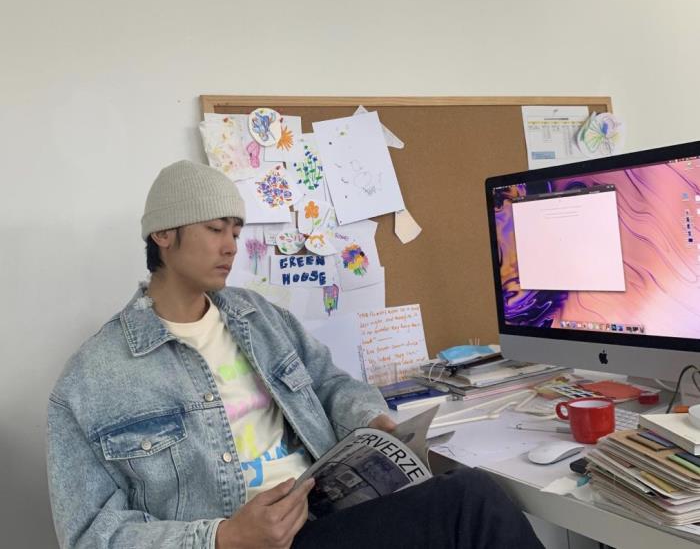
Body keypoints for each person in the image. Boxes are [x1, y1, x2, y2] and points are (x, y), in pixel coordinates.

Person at [47, 160, 544, 549]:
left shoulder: (258, 317)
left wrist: (371, 421)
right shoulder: (92, 381)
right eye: (215, 229)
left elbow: (329, 383)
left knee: (470, 495)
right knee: (470, 502)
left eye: (236, 232)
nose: (231, 246)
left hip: (321, 520)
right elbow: (89, 534)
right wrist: (222, 537)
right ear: (163, 234)